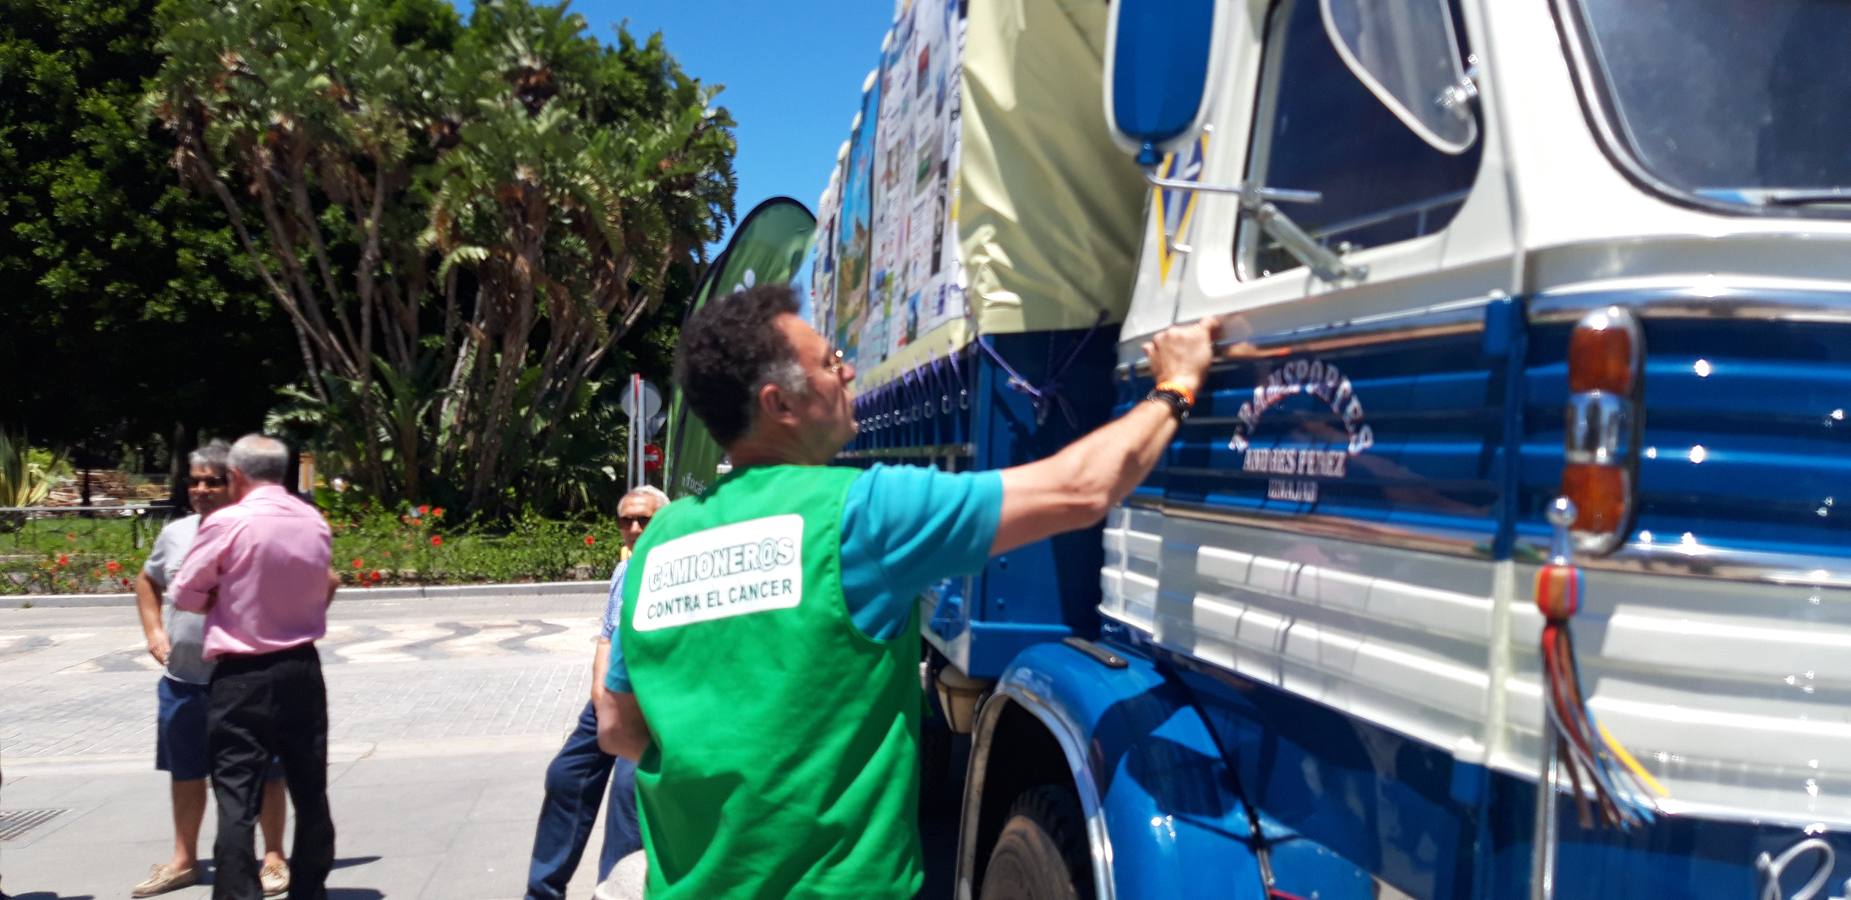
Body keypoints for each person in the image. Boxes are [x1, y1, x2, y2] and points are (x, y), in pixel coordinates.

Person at [594, 283, 1216, 897]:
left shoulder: (660, 537)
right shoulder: (861, 516)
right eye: (831, 362)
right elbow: (1080, 490)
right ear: (781, 404)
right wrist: (1175, 386)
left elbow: (617, 727)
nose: (847, 372)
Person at [170, 435, 339, 900]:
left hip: (243, 674)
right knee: (310, 788)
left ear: (237, 476)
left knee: (236, 798)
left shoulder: (229, 522)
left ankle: (237, 893)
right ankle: (310, 888)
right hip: (302, 667)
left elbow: (184, 594)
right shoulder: (313, 520)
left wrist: (225, 598)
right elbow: (323, 582)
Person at [132, 440, 292, 897]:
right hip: (183, 680)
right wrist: (154, 632)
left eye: (212, 480)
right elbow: (148, 580)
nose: (200, 489)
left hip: (247, 680)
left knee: (265, 770)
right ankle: (184, 859)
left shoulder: (263, 530)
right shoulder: (177, 533)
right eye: (194, 480)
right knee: (186, 770)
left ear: (235, 482)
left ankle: (274, 855)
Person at [524, 485, 668, 899]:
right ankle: (543, 892)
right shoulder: (624, 571)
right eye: (627, 520)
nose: (636, 528)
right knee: (565, 776)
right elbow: (606, 638)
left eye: (646, 519)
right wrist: (599, 693)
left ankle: (614, 891)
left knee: (627, 792)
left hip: (649, 702)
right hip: (611, 695)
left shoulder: (671, 570)